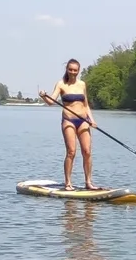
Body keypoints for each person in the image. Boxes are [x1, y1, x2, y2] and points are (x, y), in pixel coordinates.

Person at [37, 58, 95, 190]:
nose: (73, 72)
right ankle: (68, 182)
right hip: (69, 121)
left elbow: (86, 105)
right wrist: (43, 96)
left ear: (78, 71)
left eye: (75, 70)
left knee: (87, 152)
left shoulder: (82, 84)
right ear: (67, 70)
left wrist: (92, 120)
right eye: (70, 69)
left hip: (83, 120)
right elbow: (51, 102)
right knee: (71, 152)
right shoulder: (61, 84)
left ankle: (88, 182)